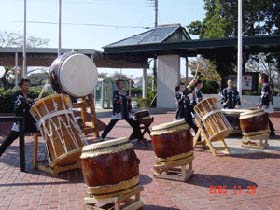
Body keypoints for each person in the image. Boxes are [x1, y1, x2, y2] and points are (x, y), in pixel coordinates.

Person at [0, 78, 38, 157]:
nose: (27, 87)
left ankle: (51, 154)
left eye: (28, 85)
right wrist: (28, 101)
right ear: (21, 86)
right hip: (20, 121)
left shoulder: (30, 95)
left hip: (30, 120)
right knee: (9, 140)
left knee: (43, 134)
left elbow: (33, 106)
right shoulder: (16, 95)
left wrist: (36, 101)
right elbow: (19, 105)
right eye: (25, 85)